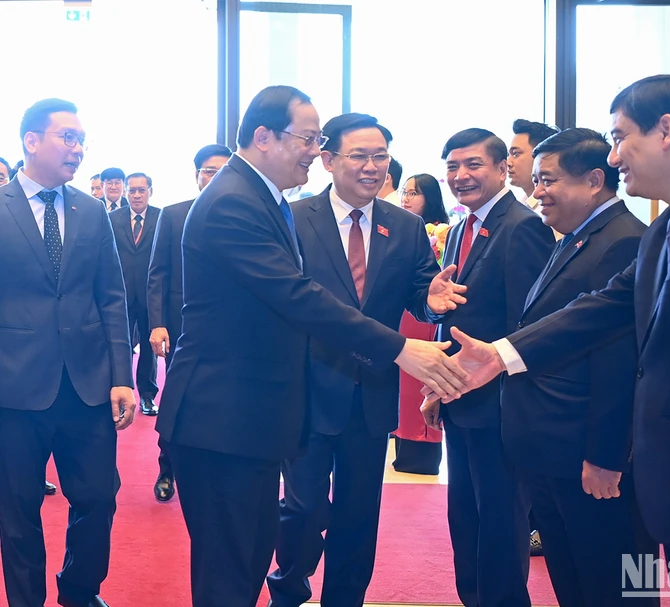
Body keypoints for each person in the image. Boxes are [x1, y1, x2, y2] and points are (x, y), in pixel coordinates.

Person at [428, 75, 670, 606]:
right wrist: (501, 356)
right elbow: (601, 308)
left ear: (666, 130)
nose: (616, 157)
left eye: (621, 138)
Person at [154, 85, 469, 607]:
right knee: (232, 569)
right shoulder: (236, 202)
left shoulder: (261, 197)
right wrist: (401, 349)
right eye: (308, 138)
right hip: (224, 415)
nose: (312, 149)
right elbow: (298, 297)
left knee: (249, 555)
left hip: (256, 414)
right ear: (263, 137)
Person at [268, 113, 466, 607]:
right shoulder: (294, 219)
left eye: (380, 156)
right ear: (329, 159)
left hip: (370, 392)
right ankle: (288, 588)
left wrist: (430, 300)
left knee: (360, 513)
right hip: (309, 389)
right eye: (359, 155)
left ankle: (345, 599)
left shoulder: (405, 226)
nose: (372, 166)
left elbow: (420, 289)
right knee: (303, 506)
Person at [506, 127, 654, 605]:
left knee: (611, 584)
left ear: (594, 180)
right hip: (554, 452)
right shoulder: (574, 237)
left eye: (547, 180)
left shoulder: (623, 242)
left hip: (589, 458)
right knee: (573, 581)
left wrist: (606, 456)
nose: (537, 192)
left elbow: (618, 363)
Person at [0, 98, 135, 607]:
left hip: (86, 385)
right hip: (13, 390)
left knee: (99, 497)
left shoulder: (92, 210)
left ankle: (79, 589)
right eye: (67, 138)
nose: (78, 149)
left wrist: (122, 374)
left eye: (81, 140)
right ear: (31, 141)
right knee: (16, 512)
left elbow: (112, 297)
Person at [435, 128, 555, 607]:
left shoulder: (521, 226)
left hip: (500, 407)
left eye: (473, 165)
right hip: (460, 400)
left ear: (502, 168)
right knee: (466, 517)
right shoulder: (461, 227)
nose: (461, 176)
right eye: (452, 166)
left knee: (502, 522)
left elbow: (527, 324)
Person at [147, 143, 232, 502]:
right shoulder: (174, 214)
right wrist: (157, 323)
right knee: (178, 401)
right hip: (183, 329)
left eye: (224, 170)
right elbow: (157, 274)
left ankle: (216, 470)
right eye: (209, 170)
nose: (215, 177)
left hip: (232, 331)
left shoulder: (242, 217)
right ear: (196, 175)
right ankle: (168, 467)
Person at [393, 173, 449, 475]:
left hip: (426, 314)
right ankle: (403, 442)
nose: (407, 198)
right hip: (403, 314)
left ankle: (423, 447)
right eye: (405, 191)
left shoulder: (441, 231)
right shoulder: (398, 228)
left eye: (414, 193)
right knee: (404, 383)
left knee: (422, 379)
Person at [109, 173, 160, 416]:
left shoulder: (162, 218)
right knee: (121, 345)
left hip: (152, 296)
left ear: (151, 191)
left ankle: (147, 396)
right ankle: (121, 391)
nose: (137, 195)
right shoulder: (111, 219)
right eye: (132, 191)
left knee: (150, 349)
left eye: (142, 190)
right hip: (120, 295)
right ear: (126, 192)